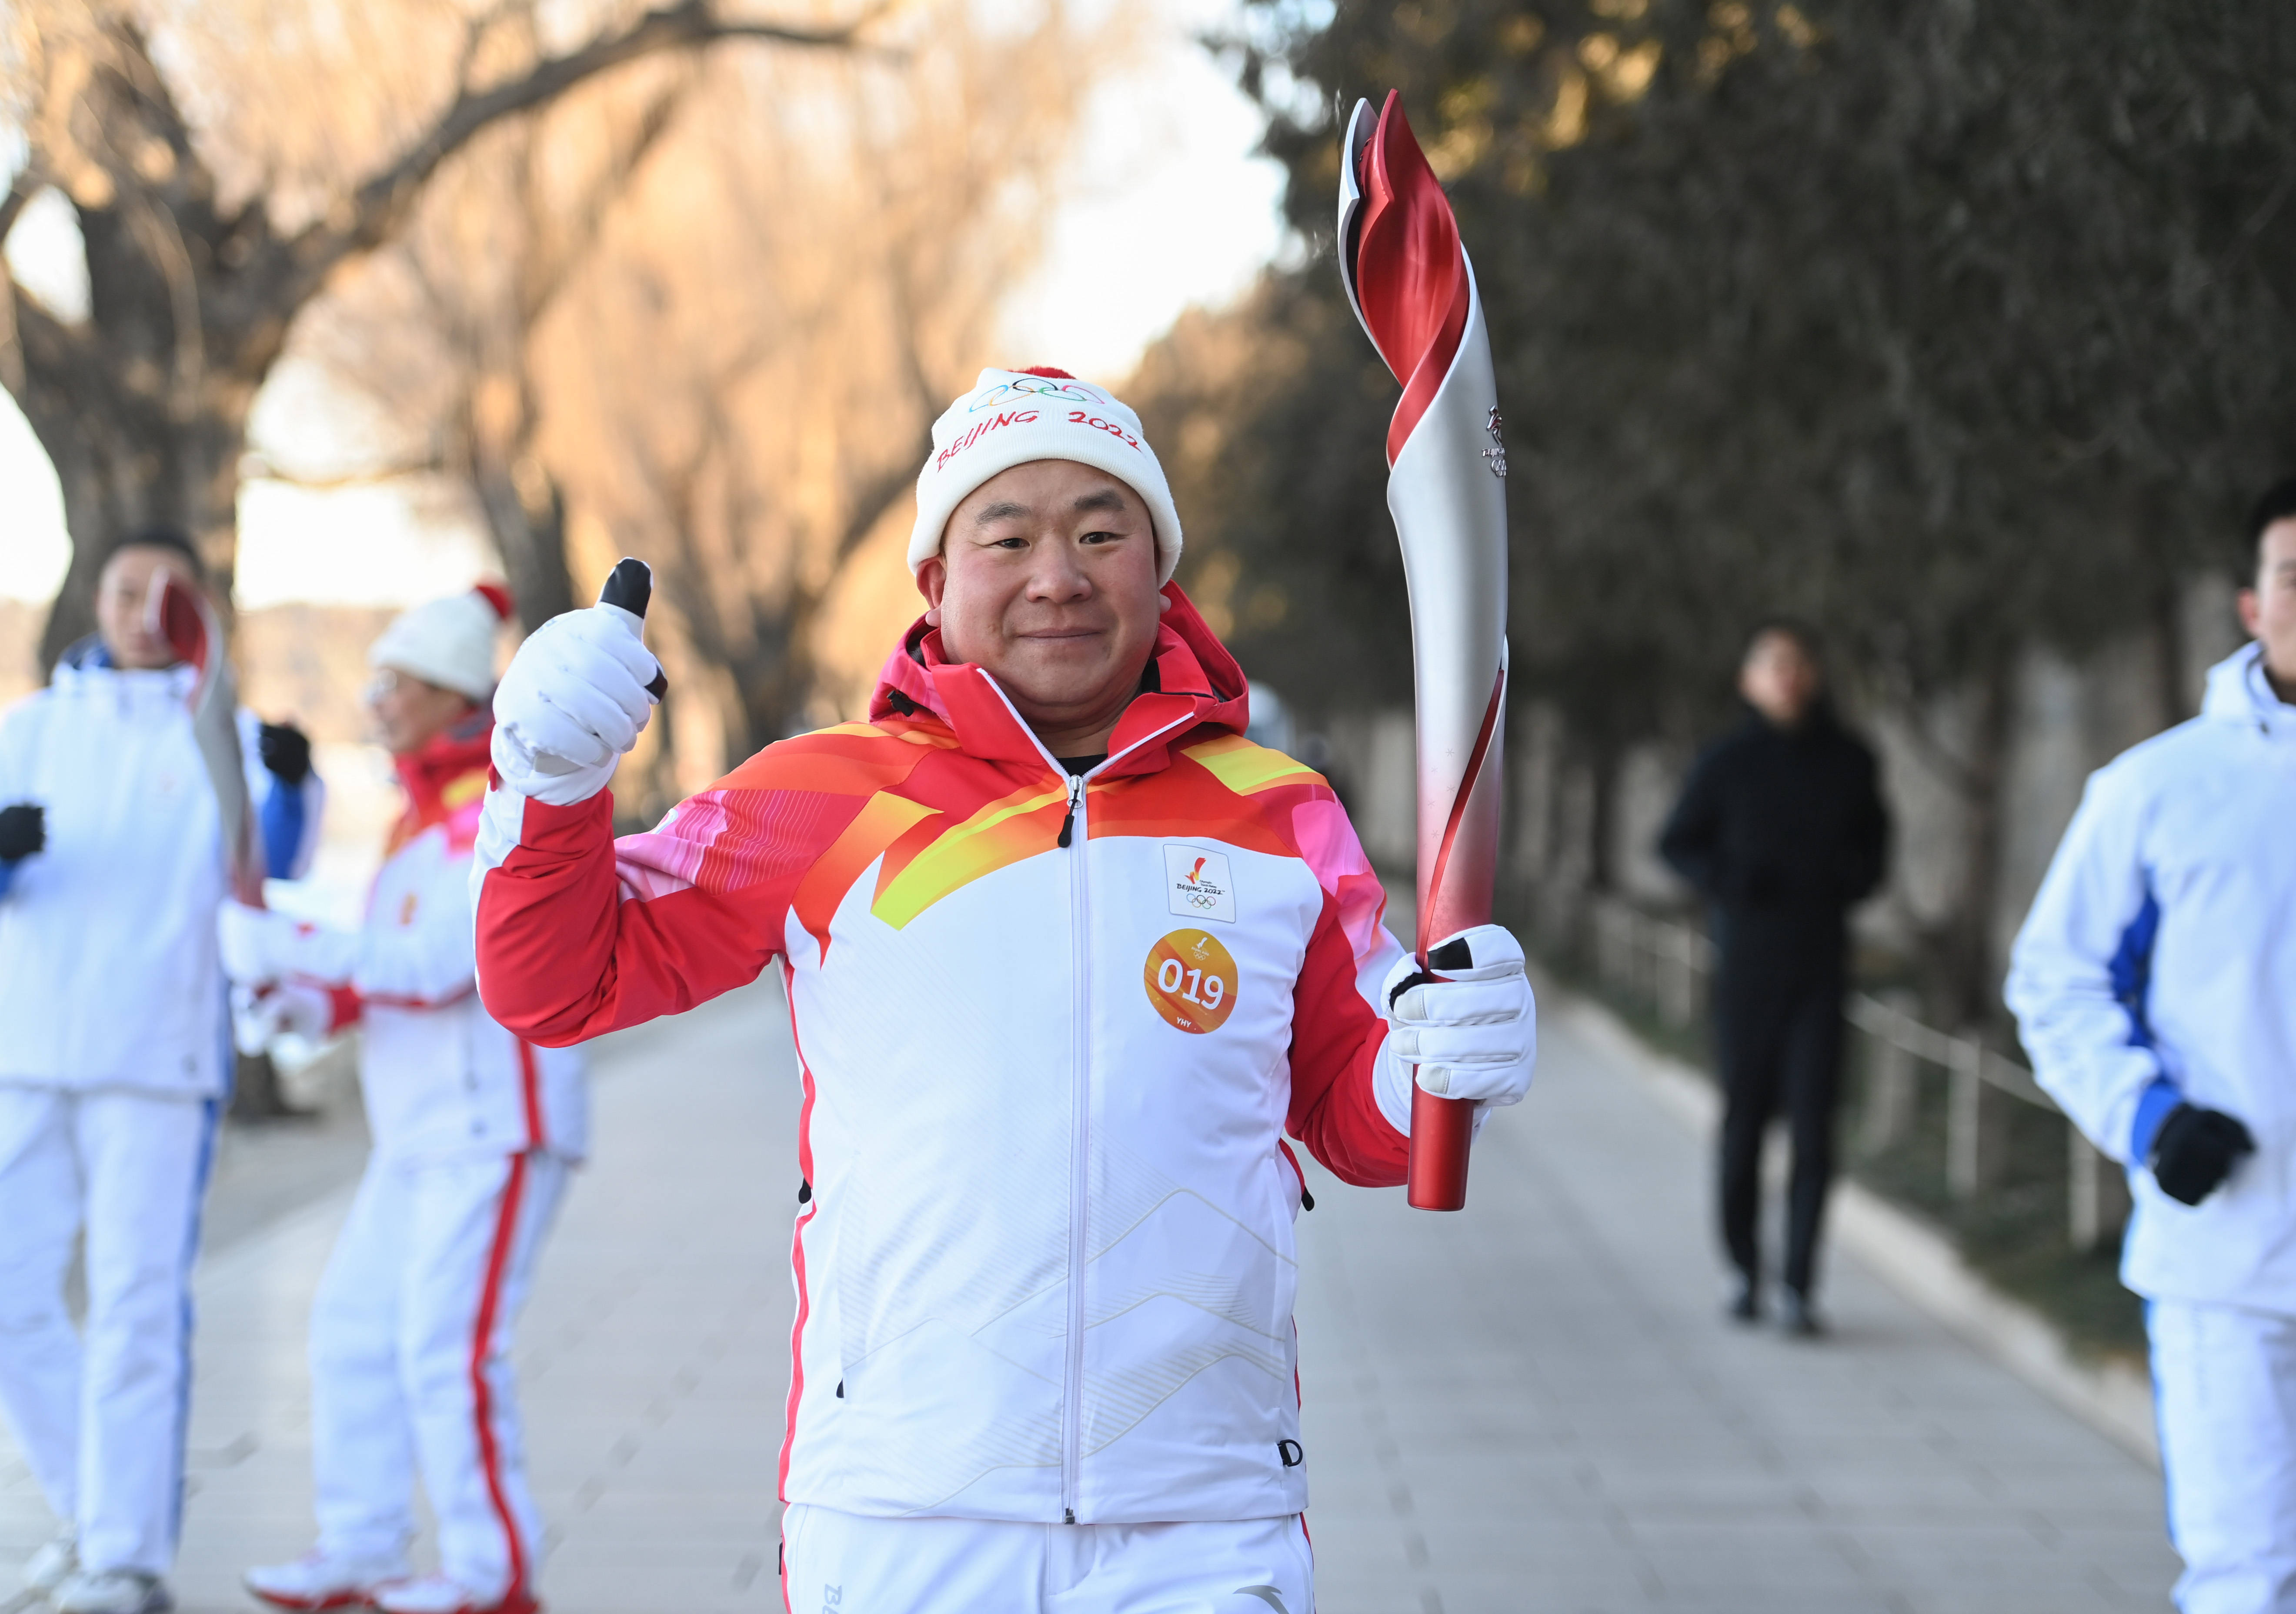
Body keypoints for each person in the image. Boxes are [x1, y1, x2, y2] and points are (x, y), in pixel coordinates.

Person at [470, 367, 1538, 1614]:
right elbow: (556, 982)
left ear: (1159, 567)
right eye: (1008, 535)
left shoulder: (1277, 812)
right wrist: (545, 787)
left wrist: (1436, 1063)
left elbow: (1352, 1116)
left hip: (1199, 1510)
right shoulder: (821, 797)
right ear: (934, 579)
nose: (1059, 576)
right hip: (905, 1505)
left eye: (1101, 531)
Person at [0, 529, 320, 1614]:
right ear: (95, 599)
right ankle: (92, 1508)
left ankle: (127, 1554)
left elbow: (273, 863)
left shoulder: (218, 732)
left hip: (158, 1055)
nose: (144, 607)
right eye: (125, 587)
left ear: (198, 604)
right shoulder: (37, 726)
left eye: (166, 590)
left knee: (138, 1306)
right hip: (25, 1048)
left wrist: (286, 784)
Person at [218, 584, 587, 1614]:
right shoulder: (410, 831)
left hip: (495, 1122)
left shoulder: (498, 811)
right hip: (414, 1133)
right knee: (348, 1330)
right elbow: (368, 984)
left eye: (395, 683)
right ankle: (364, 1541)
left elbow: (437, 965)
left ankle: (491, 1570)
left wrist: (287, 939)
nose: (373, 701)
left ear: (454, 695)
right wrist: (288, 997)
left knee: (446, 1348)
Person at [2006, 478, 2296, 1614]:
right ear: (2249, 604)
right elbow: (2055, 979)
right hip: (2227, 1255)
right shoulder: (2158, 789)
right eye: (2294, 576)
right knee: (2249, 1579)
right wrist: (2149, 1117)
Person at [1658, 622, 1888, 1336]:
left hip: (1821, 967)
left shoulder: (1851, 760)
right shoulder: (1726, 763)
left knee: (1816, 1132)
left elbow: (1877, 849)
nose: (1787, 676)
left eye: (1799, 663)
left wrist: (1845, 882)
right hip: (1747, 971)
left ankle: (1798, 1284)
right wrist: (1729, 880)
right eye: (1772, 664)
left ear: (1814, 675)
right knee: (1744, 1126)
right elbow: (1676, 842)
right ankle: (1741, 1269)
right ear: (1749, 679)